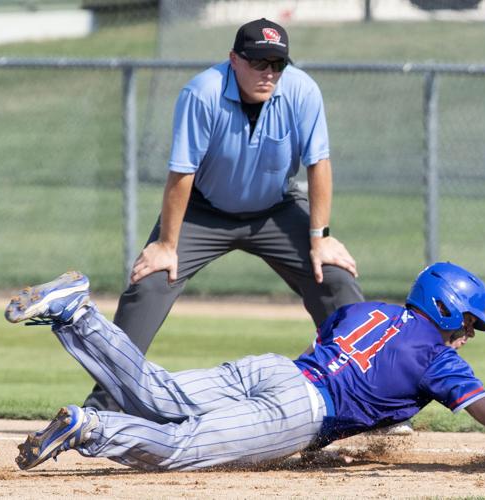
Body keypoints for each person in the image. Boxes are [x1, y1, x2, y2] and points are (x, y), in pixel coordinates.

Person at [4, 264, 485, 472]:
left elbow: (339, 341)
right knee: (181, 446)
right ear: (448, 313)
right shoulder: (435, 358)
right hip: (300, 409)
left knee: (158, 389)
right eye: (469, 322)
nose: (469, 333)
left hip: (273, 369)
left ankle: (76, 315)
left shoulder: (370, 312)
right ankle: (91, 429)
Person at [84, 18, 364, 412]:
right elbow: (182, 172)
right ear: (234, 59)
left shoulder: (301, 90)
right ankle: (104, 405)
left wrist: (321, 237)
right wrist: (166, 244)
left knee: (334, 277)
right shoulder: (203, 93)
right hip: (204, 210)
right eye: (258, 62)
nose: (269, 72)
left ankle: (364, 395)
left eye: (277, 64)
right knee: (148, 285)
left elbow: (319, 163)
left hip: (276, 210)